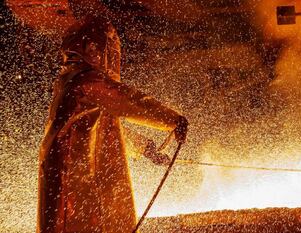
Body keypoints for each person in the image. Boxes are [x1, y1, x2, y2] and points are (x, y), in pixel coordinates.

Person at [37, 15, 188, 233]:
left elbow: (105, 128)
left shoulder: (74, 81)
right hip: (72, 176)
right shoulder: (85, 82)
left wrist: (145, 148)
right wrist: (172, 120)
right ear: (98, 49)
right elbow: (129, 100)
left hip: (77, 171)